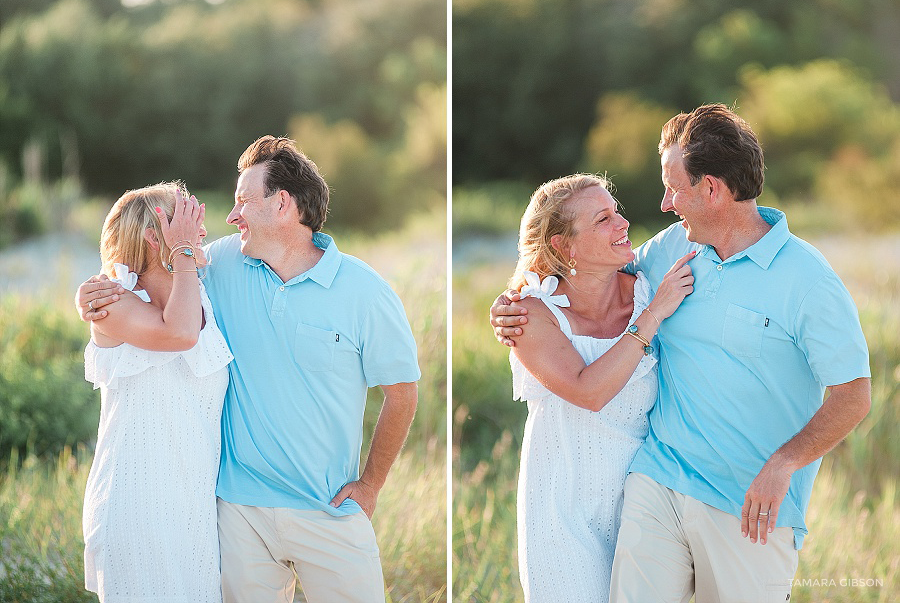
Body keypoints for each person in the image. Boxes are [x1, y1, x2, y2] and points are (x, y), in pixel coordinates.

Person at [491, 104, 871, 602]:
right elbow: (589, 277)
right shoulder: (671, 250)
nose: (665, 203)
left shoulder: (808, 280)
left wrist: (784, 464)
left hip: (749, 503)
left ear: (711, 189)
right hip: (657, 481)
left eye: (674, 187)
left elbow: (854, 395)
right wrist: (512, 304)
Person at [77, 136, 420, 603]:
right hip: (236, 515)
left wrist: (371, 485)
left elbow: (402, 392)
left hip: (329, 510)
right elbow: (159, 295)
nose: (229, 216)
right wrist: (91, 291)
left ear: (282, 204)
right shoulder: (215, 265)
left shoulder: (365, 291)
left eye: (242, 201)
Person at [506, 173, 694, 602]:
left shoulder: (650, 285)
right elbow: (588, 392)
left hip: (646, 507)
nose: (622, 223)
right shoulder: (532, 313)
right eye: (603, 219)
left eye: (618, 212)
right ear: (564, 246)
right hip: (562, 513)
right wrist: (653, 317)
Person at [82, 182, 232, 602]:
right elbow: (180, 333)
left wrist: (185, 255)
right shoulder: (112, 301)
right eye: (186, 222)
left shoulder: (202, 292)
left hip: (191, 511)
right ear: (155, 237)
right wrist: (182, 252)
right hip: (136, 506)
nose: (200, 231)